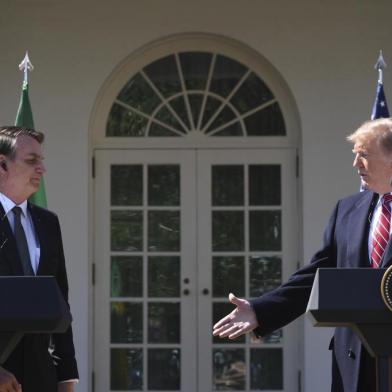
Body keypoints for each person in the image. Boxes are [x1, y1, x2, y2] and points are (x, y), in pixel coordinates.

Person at [213, 117, 392, 392]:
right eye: (355, 155)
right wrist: (261, 310)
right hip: (356, 359)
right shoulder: (347, 210)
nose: (355, 164)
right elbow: (315, 276)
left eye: (364, 155)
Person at [0, 126, 78, 392]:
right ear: (2, 164)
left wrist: (66, 378)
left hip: (41, 378)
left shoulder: (48, 223)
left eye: (41, 161)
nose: (41, 169)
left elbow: (59, 303)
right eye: (32, 161)